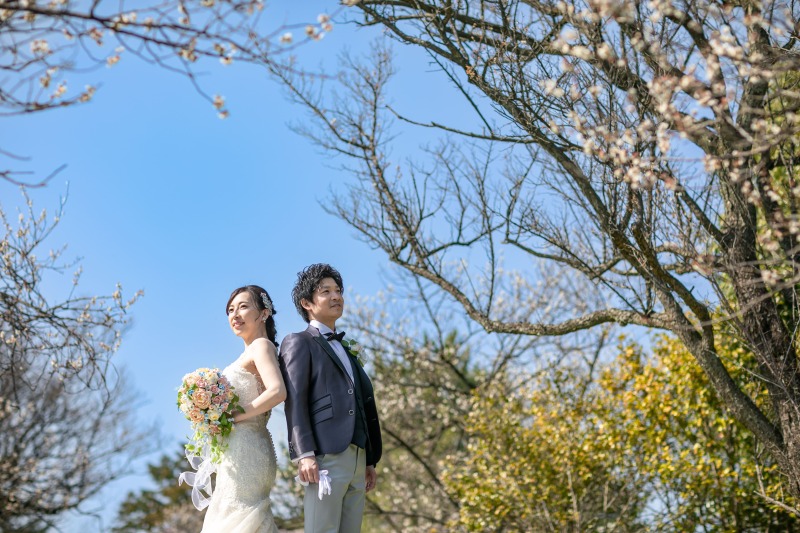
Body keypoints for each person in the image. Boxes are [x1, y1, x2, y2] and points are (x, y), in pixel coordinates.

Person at [279, 264, 382, 533]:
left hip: (358, 457)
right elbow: (296, 402)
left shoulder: (347, 350)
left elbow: (360, 402)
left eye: (338, 290)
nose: (336, 296)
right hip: (324, 456)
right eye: (326, 291)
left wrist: (368, 460)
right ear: (307, 303)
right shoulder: (298, 342)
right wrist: (304, 454)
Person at [200, 285, 286, 533]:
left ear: (264, 313)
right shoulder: (249, 351)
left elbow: (277, 391)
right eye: (230, 310)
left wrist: (234, 416)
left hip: (248, 449)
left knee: (238, 518)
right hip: (236, 450)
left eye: (243, 307)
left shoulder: (262, 346)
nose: (234, 315)